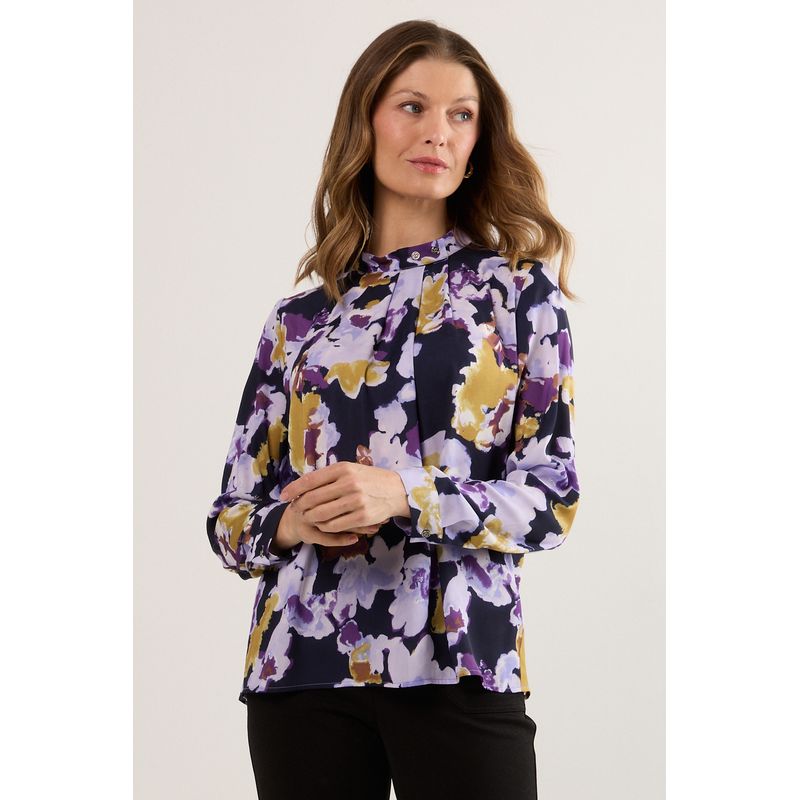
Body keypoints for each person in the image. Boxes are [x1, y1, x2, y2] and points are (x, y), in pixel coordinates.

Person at [205, 19, 580, 800]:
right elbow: (231, 521)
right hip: (301, 672)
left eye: (460, 114)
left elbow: (551, 503)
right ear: (365, 121)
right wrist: (292, 522)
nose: (437, 132)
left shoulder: (519, 297)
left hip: (459, 661)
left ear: (477, 141)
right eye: (412, 106)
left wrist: (404, 495)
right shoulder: (299, 321)